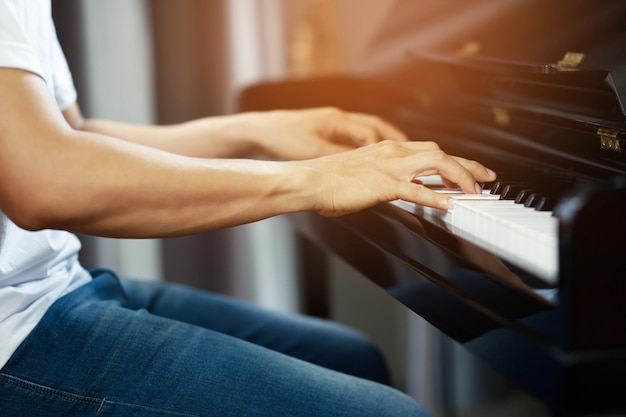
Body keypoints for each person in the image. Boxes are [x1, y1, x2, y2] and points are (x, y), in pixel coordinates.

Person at [0, 1, 496, 416]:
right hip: (15, 334)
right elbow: (46, 183)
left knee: (350, 355)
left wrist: (254, 128)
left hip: (54, 285)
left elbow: (69, 138)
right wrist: (318, 178)